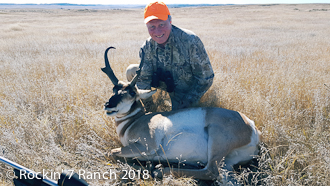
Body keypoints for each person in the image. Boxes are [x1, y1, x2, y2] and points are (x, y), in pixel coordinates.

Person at [126, 1, 214, 111]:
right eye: (152, 26)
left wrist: (189, 99)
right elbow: (144, 80)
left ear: (170, 21)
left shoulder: (190, 41)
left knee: (178, 119)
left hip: (185, 90)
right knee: (132, 71)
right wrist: (149, 109)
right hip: (163, 82)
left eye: (162, 25)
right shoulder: (147, 47)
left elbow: (206, 78)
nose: (157, 31)